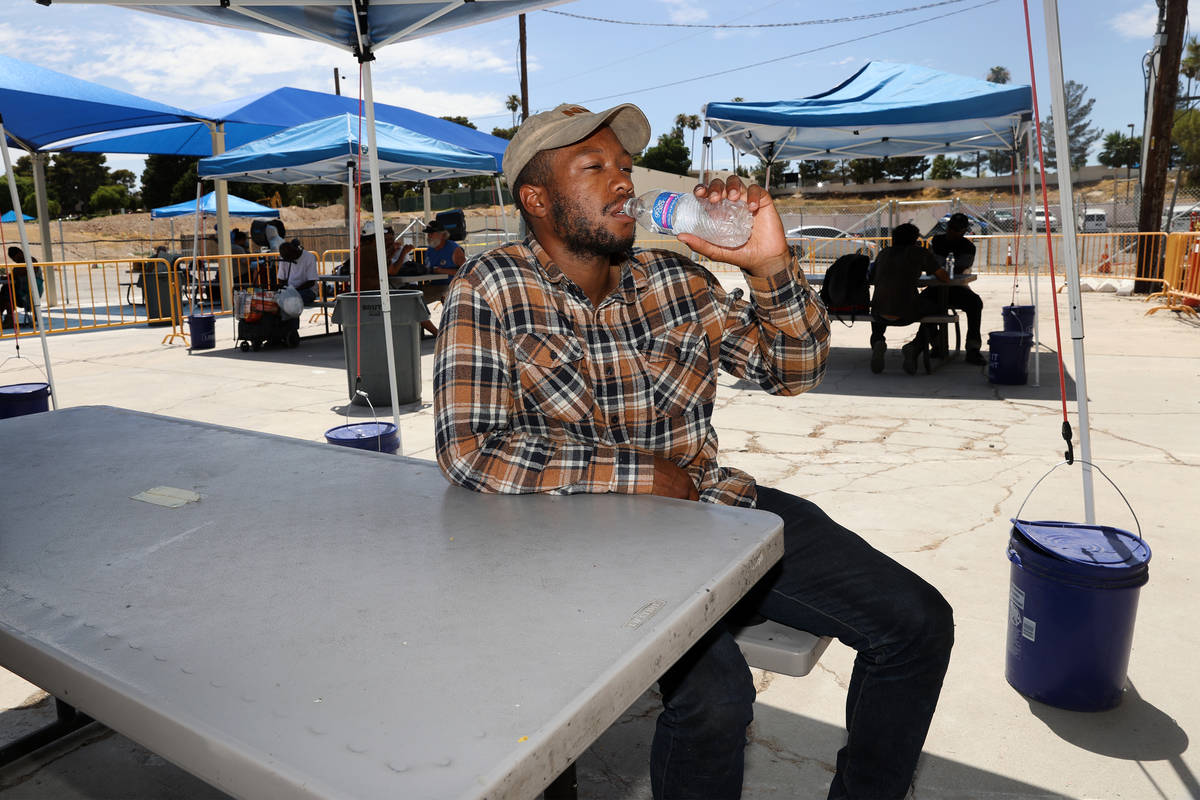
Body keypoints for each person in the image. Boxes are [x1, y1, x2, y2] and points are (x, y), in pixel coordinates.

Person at [433, 102, 953, 800]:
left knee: (918, 622)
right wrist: (636, 476)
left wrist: (768, 265)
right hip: (581, 548)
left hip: (713, 510)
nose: (622, 182)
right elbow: (470, 448)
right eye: (593, 168)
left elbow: (793, 373)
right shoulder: (490, 287)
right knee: (716, 699)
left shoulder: (678, 280)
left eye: (623, 166)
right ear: (537, 199)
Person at [869, 223, 951, 375]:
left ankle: (878, 342)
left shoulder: (884, 253)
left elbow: (871, 276)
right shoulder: (919, 253)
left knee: (883, 302)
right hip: (907, 313)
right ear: (915, 239)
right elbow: (944, 277)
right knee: (935, 309)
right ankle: (914, 347)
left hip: (879, 312)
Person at [929, 212, 986, 365]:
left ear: (963, 231)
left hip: (956, 289)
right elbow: (931, 264)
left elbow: (959, 268)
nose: (952, 231)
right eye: (951, 227)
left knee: (975, 303)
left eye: (957, 229)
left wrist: (940, 267)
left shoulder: (968, 246)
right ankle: (936, 344)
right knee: (922, 304)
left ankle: (973, 348)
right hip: (935, 287)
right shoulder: (937, 240)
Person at [2, 247, 43, 329]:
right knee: (5, 292)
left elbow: (16, 274)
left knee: (7, 290)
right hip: (22, 293)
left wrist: (8, 276)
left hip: (29, 295)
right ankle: (7, 319)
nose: (14, 260)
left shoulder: (30, 261)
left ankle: (9, 319)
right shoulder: (20, 264)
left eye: (14, 258)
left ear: (19, 253)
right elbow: (13, 275)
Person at [276, 239, 318, 305]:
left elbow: (311, 282)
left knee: (292, 299)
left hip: (307, 291)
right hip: (290, 291)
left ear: (296, 252)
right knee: (275, 299)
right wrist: (285, 290)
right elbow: (281, 279)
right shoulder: (284, 258)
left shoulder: (310, 257)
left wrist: (294, 291)